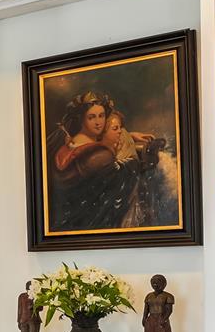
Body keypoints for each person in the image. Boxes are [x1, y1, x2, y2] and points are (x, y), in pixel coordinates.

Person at [45, 91, 178, 234]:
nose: (98, 122)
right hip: (84, 221)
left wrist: (130, 136)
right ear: (82, 119)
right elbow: (121, 176)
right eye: (91, 117)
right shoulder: (100, 155)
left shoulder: (71, 142)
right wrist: (138, 160)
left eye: (101, 116)